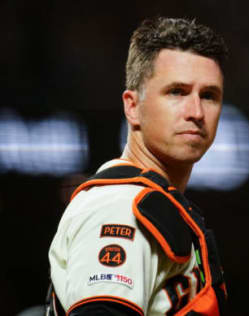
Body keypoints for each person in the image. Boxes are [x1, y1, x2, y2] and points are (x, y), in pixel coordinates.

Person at [47, 16, 228, 316]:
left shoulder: (154, 200)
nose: (196, 111)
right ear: (132, 106)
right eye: (177, 92)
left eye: (209, 96)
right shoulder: (121, 206)